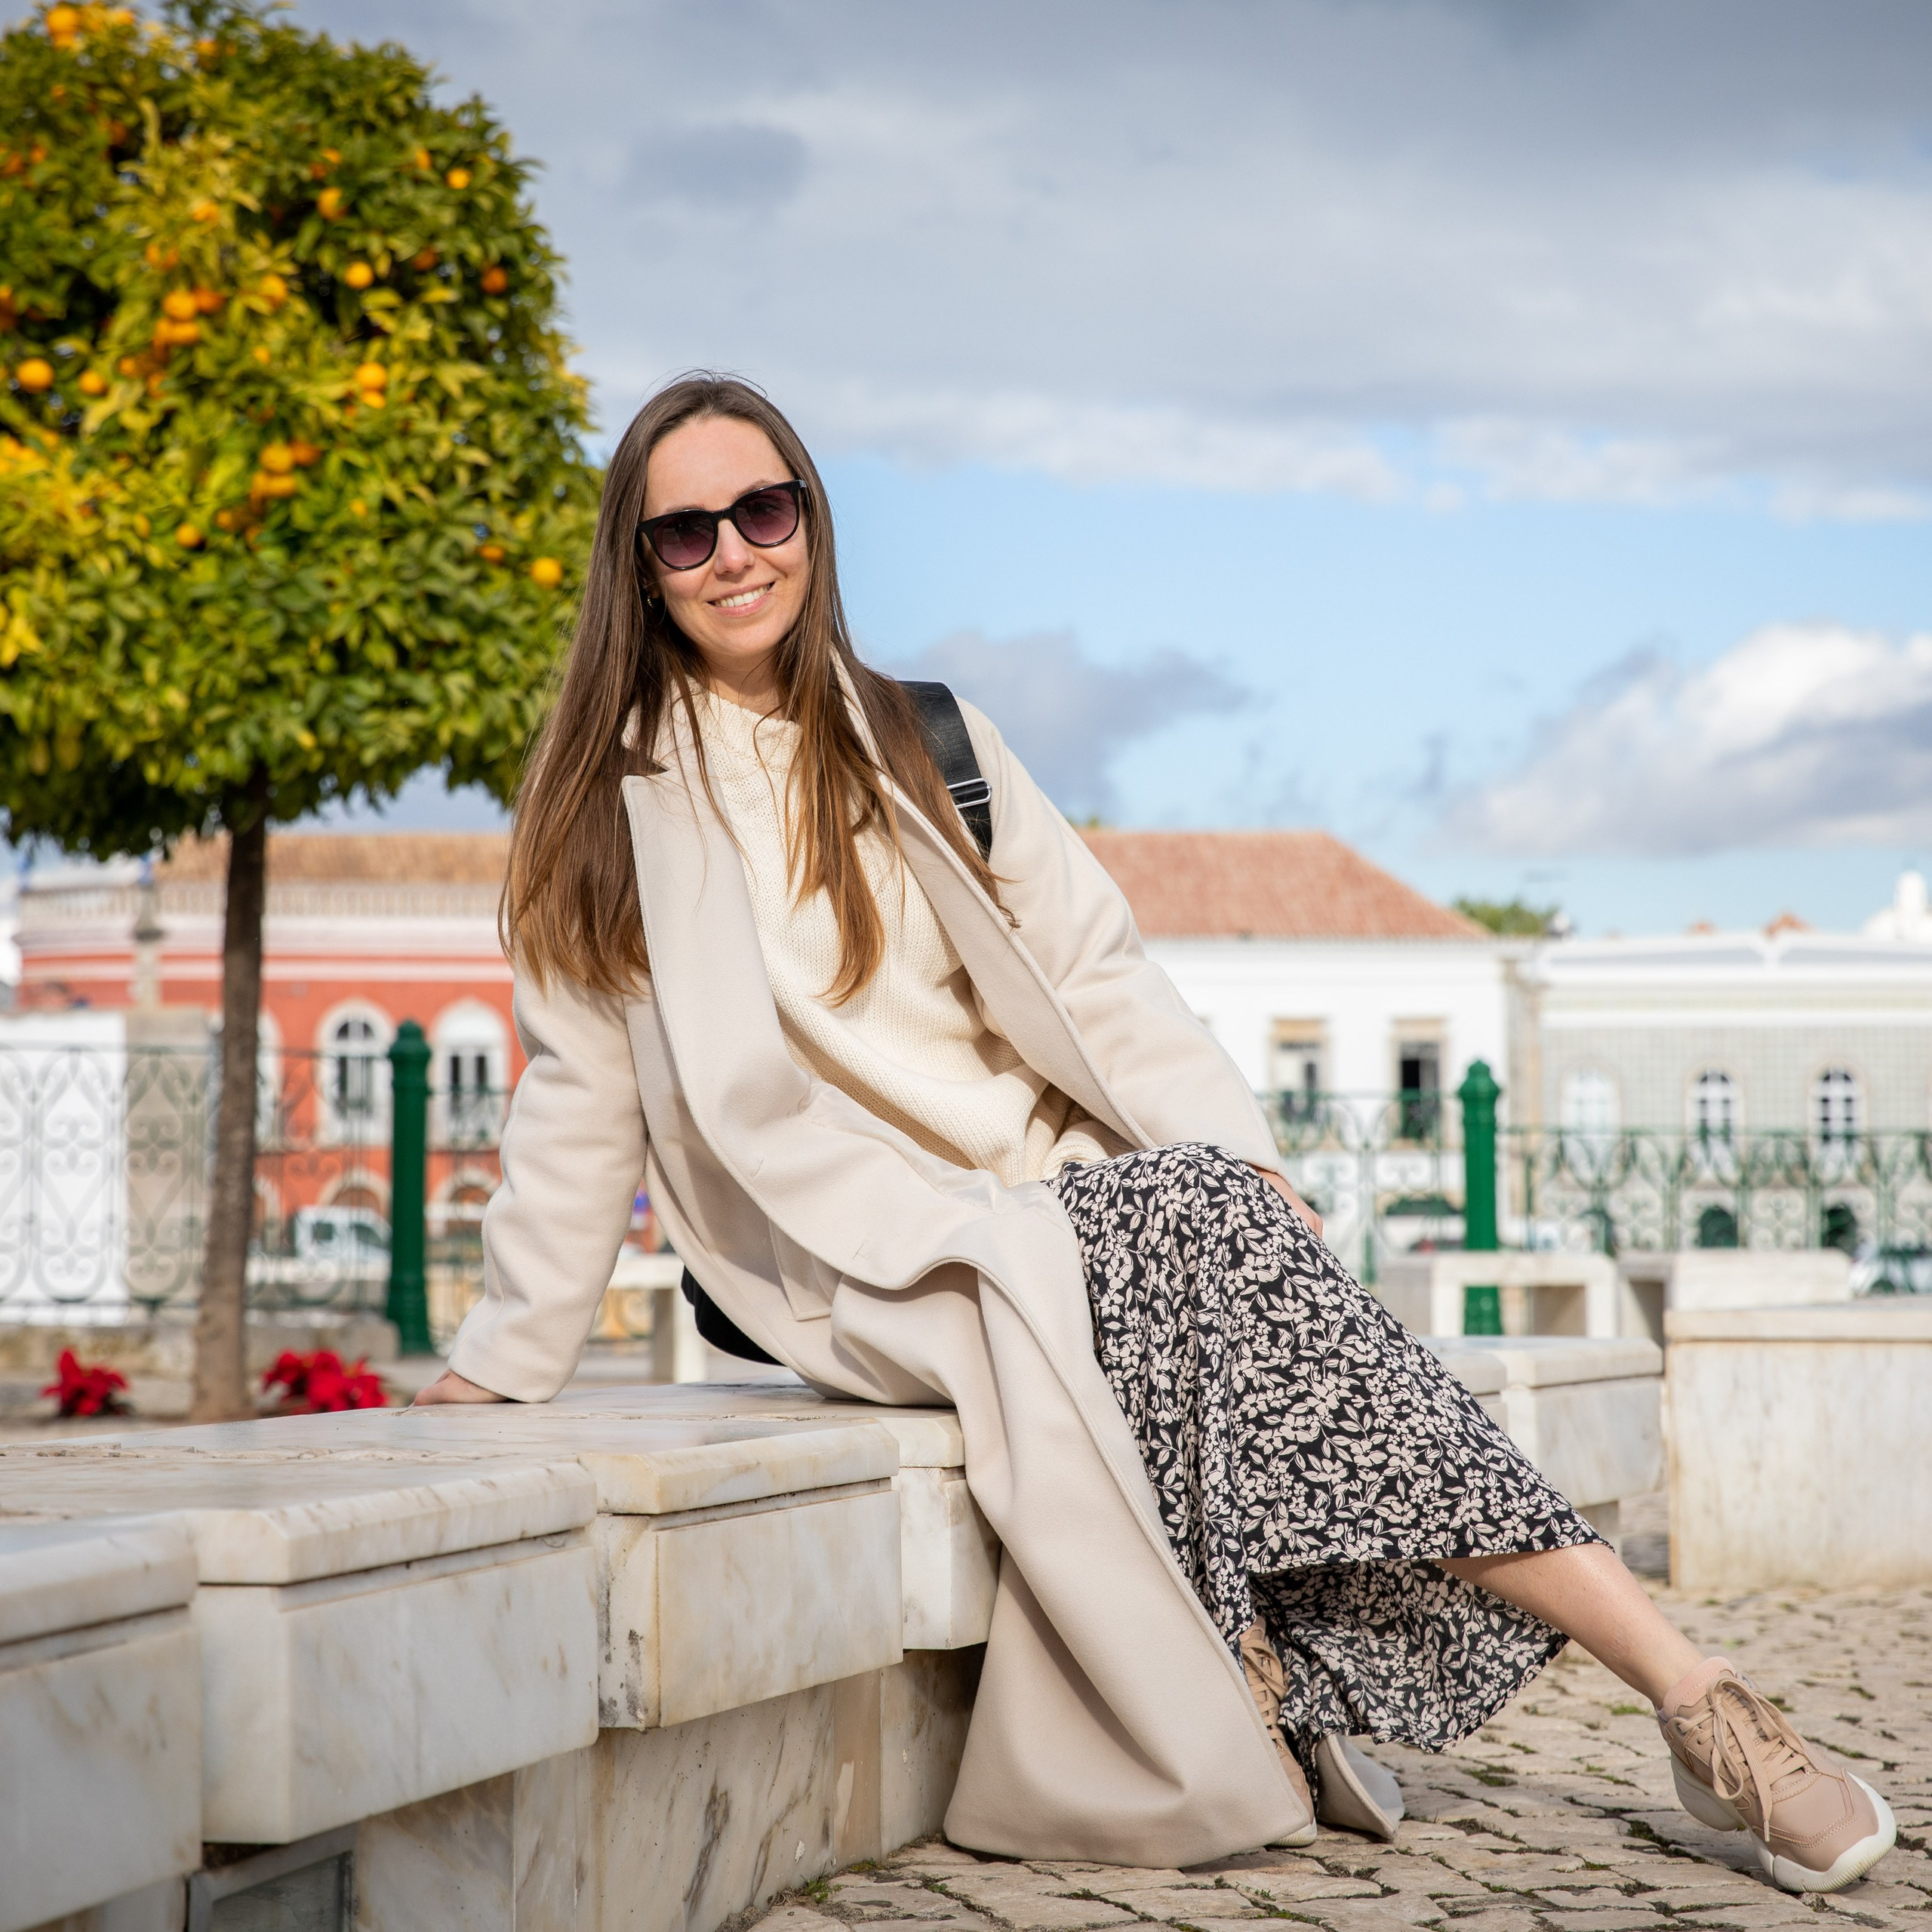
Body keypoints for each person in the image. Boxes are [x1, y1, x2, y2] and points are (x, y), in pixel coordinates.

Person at [415, 373, 1894, 1891]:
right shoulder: (604, 813)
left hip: (1068, 1197)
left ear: (811, 522)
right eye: (686, 531)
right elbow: (575, 1102)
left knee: (1215, 1219)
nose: (735, 552)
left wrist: (1241, 1158)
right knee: (1208, 1234)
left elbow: (1101, 975)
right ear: (640, 566)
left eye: (764, 509)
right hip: (870, 1257)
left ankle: (1666, 1698)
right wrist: (501, 1358)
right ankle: (1693, 1701)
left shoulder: (926, 734)